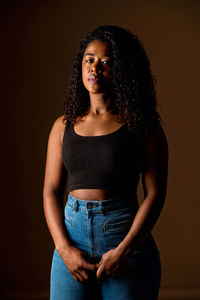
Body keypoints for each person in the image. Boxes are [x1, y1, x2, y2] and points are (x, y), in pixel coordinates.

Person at [43, 25, 168, 300]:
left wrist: (125, 250)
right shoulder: (62, 127)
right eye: (89, 59)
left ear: (121, 70)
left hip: (124, 240)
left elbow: (156, 194)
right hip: (71, 242)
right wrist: (63, 248)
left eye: (106, 63)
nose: (95, 68)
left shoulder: (142, 126)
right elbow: (51, 191)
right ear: (81, 66)